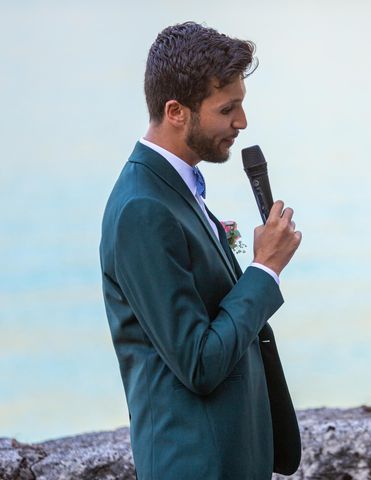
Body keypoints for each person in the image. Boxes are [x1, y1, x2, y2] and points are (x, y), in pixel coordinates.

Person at [99, 22, 302, 479]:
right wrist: (264, 270)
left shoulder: (176, 188)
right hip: (194, 464)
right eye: (227, 108)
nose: (242, 122)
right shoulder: (142, 210)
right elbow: (198, 362)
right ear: (176, 111)